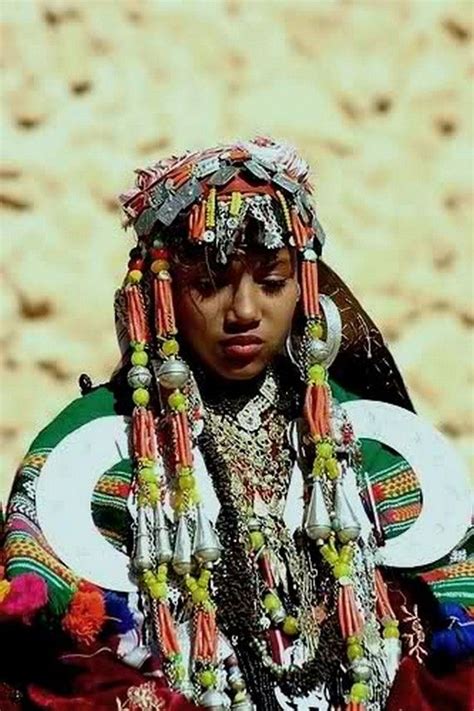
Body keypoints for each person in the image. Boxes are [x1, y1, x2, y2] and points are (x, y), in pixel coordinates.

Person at [0, 137, 472, 710]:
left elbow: (458, 630)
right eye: (208, 284)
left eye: (271, 283)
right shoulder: (95, 448)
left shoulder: (365, 440)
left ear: (306, 288)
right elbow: (49, 649)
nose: (244, 311)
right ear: (162, 293)